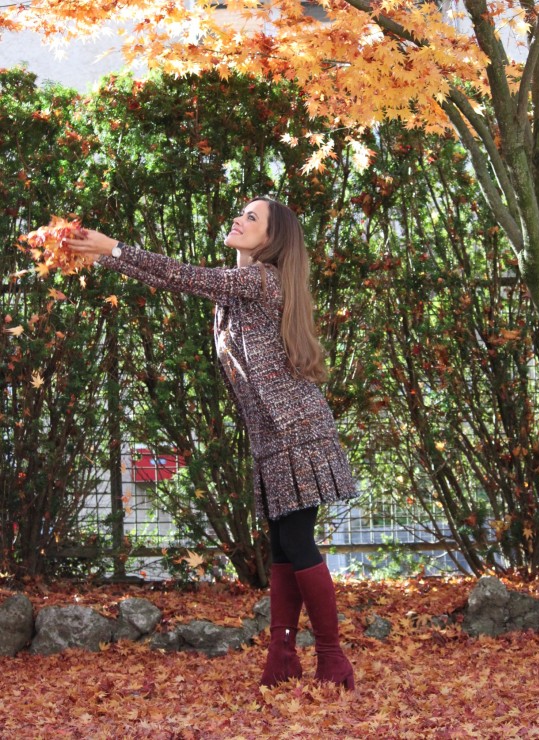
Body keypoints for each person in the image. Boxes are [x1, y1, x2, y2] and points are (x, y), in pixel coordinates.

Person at [66, 197, 358, 690]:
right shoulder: (239, 288)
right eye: (241, 213)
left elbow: (182, 276)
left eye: (252, 218)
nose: (239, 220)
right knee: (281, 548)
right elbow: (183, 280)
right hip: (272, 436)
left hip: (298, 432)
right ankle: (282, 657)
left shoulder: (260, 281)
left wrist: (112, 248)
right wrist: (104, 255)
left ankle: (332, 658)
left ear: (272, 239)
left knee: (296, 543)